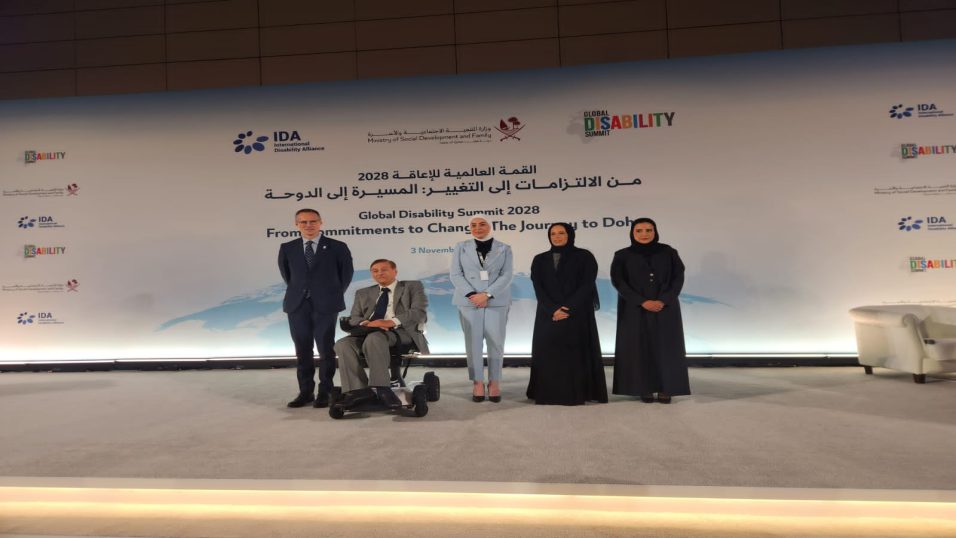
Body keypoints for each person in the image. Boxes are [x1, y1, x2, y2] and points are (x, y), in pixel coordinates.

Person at [278, 209, 354, 408]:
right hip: (297, 305)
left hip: (326, 305)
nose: (308, 225)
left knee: (326, 349)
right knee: (302, 350)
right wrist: (302, 292)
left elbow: (346, 275)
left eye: (312, 221)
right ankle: (305, 392)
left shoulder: (338, 246)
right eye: (303, 222)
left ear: (321, 222)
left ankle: (325, 391)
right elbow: (288, 276)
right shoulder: (288, 248)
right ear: (296, 225)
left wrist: (329, 294)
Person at [526, 223, 608, 406]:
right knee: (549, 353)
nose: (557, 237)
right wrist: (553, 309)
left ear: (570, 234)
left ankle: (577, 393)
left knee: (575, 353)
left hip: (578, 313)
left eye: (561, 233)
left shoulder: (584, 256)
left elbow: (587, 285)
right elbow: (538, 287)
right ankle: (548, 393)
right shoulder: (539, 259)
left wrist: (567, 308)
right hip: (548, 313)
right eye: (553, 234)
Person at [610, 218, 690, 403]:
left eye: (648, 230)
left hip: (665, 307)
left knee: (666, 348)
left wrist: (663, 300)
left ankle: (666, 388)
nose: (644, 234)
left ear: (655, 231)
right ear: (632, 233)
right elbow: (619, 282)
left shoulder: (669, 252)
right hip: (634, 309)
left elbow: (678, 278)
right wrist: (642, 301)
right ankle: (643, 388)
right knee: (639, 348)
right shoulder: (622, 255)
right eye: (639, 230)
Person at [333, 259, 429, 404]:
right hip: (369, 331)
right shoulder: (363, 293)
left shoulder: (412, 287)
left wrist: (389, 322)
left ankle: (381, 388)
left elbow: (419, 313)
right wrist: (366, 323)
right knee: (342, 344)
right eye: (375, 271)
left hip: (400, 331)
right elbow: (354, 317)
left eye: (384, 269)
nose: (379, 273)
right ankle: (358, 391)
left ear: (395, 271)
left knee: (375, 338)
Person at [449, 215, 513, 402]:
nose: (477, 228)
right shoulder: (461, 247)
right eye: (473, 225)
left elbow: (507, 275)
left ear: (490, 226)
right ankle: (477, 382)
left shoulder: (504, 248)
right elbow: (455, 274)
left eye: (482, 224)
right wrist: (472, 295)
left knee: (496, 343)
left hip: (496, 301)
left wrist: (487, 294)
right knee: (473, 344)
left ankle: (494, 382)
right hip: (468, 301)